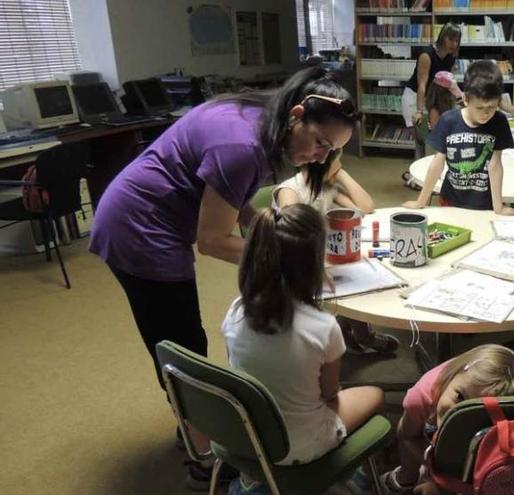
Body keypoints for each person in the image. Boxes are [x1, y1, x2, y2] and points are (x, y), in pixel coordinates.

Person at [88, 66, 361, 489]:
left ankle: (194, 428)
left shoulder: (259, 120)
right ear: (298, 114)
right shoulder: (241, 145)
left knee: (181, 336)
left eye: (333, 151)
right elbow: (212, 241)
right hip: (139, 227)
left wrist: (267, 228)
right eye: (321, 142)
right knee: (181, 344)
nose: (322, 157)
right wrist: (290, 260)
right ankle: (200, 455)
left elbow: (234, 204)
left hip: (153, 214)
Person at [223, 204, 384, 495]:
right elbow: (329, 393)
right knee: (373, 394)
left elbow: (236, 370)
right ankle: (335, 474)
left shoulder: (235, 312)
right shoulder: (323, 327)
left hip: (246, 434)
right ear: (313, 262)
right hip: (297, 446)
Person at [272, 161, 400, 355]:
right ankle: (353, 334)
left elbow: (366, 207)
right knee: (352, 280)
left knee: (361, 273)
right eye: (337, 160)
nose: (340, 164)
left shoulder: (326, 187)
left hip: (324, 253)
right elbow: (292, 233)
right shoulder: (290, 190)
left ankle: (356, 333)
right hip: (295, 262)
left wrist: (342, 175)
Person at [379, 344, 514, 494]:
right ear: (450, 378)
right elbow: (407, 435)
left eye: (480, 411)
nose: (459, 411)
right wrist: (433, 472)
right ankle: (405, 478)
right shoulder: (421, 397)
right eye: (460, 396)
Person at [403, 60, 514, 215]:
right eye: (480, 108)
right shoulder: (448, 120)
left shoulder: (499, 122)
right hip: (450, 200)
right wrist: (421, 201)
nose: (486, 113)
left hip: (485, 203)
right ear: (465, 99)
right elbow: (437, 163)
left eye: (491, 107)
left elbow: (495, 165)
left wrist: (498, 207)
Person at [402, 23, 461, 129]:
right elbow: (422, 85)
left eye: (457, 41)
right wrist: (419, 111)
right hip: (415, 97)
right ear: (443, 37)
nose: (454, 44)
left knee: (433, 138)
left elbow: (449, 84)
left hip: (431, 100)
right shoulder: (427, 55)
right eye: (451, 39)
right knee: (421, 137)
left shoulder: (451, 58)